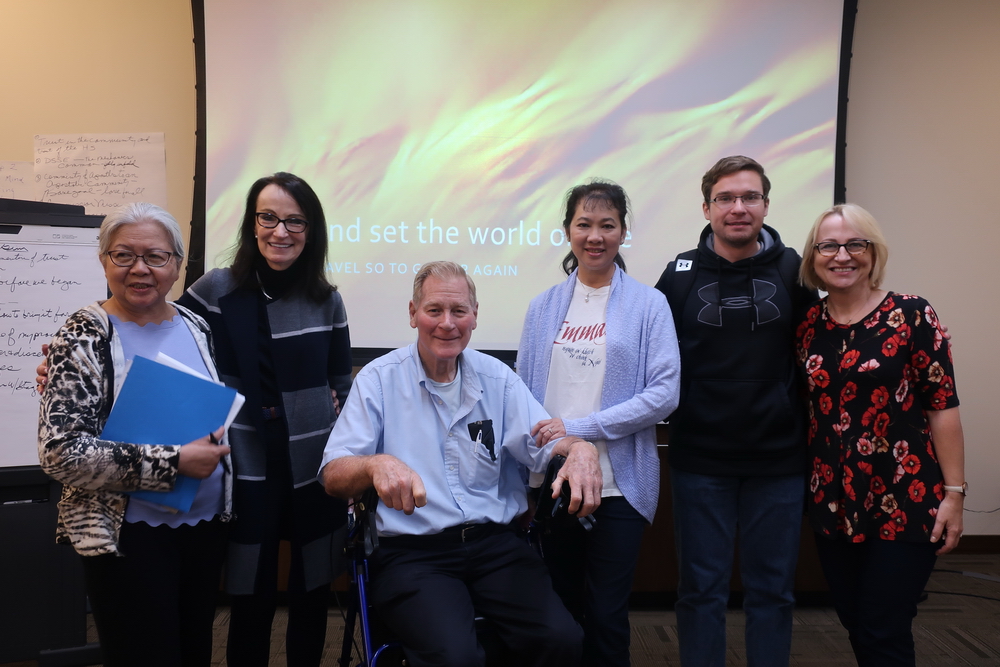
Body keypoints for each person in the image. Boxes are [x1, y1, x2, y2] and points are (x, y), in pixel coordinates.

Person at [320, 260, 602, 667]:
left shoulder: (498, 378)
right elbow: (333, 473)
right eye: (434, 310)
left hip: (496, 547)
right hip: (413, 554)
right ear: (413, 313)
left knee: (563, 640)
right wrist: (373, 465)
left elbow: (545, 442)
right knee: (456, 658)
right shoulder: (378, 379)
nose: (447, 324)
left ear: (475, 315)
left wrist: (580, 449)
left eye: (459, 311)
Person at [38, 202, 232, 667]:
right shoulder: (84, 335)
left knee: (192, 652)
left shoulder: (196, 325)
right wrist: (172, 463)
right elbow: (60, 452)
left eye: (156, 256)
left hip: (203, 528)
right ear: (104, 260)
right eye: (123, 255)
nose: (140, 269)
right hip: (127, 538)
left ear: (177, 265)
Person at [176, 172, 353, 666]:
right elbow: (164, 345)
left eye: (295, 221)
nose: (281, 231)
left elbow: (342, 385)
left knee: (312, 588)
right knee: (250, 589)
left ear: (310, 231)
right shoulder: (215, 290)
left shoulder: (326, 298)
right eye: (268, 217)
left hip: (314, 461)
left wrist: (342, 439)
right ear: (252, 224)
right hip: (245, 460)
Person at [653, 156, 816, 666]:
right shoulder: (679, 274)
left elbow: (821, 350)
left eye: (749, 197)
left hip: (779, 459)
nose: (738, 208)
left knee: (773, 591)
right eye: (725, 198)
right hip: (700, 459)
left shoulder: (795, 272)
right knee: (700, 590)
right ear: (707, 208)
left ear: (766, 205)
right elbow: (651, 352)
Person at [517, 180, 680, 666]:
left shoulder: (650, 305)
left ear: (622, 232)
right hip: (553, 480)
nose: (595, 236)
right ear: (567, 231)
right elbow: (520, 394)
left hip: (619, 485)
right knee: (561, 611)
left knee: (607, 615)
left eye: (607, 225)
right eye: (583, 224)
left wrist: (580, 428)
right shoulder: (542, 306)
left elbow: (664, 394)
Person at [796, 203, 965, 666]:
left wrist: (954, 494)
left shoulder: (913, 314)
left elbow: (943, 407)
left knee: (883, 626)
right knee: (855, 621)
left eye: (856, 244)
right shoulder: (807, 325)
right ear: (813, 257)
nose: (842, 255)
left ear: (874, 252)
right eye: (828, 246)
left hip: (905, 495)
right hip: (832, 500)